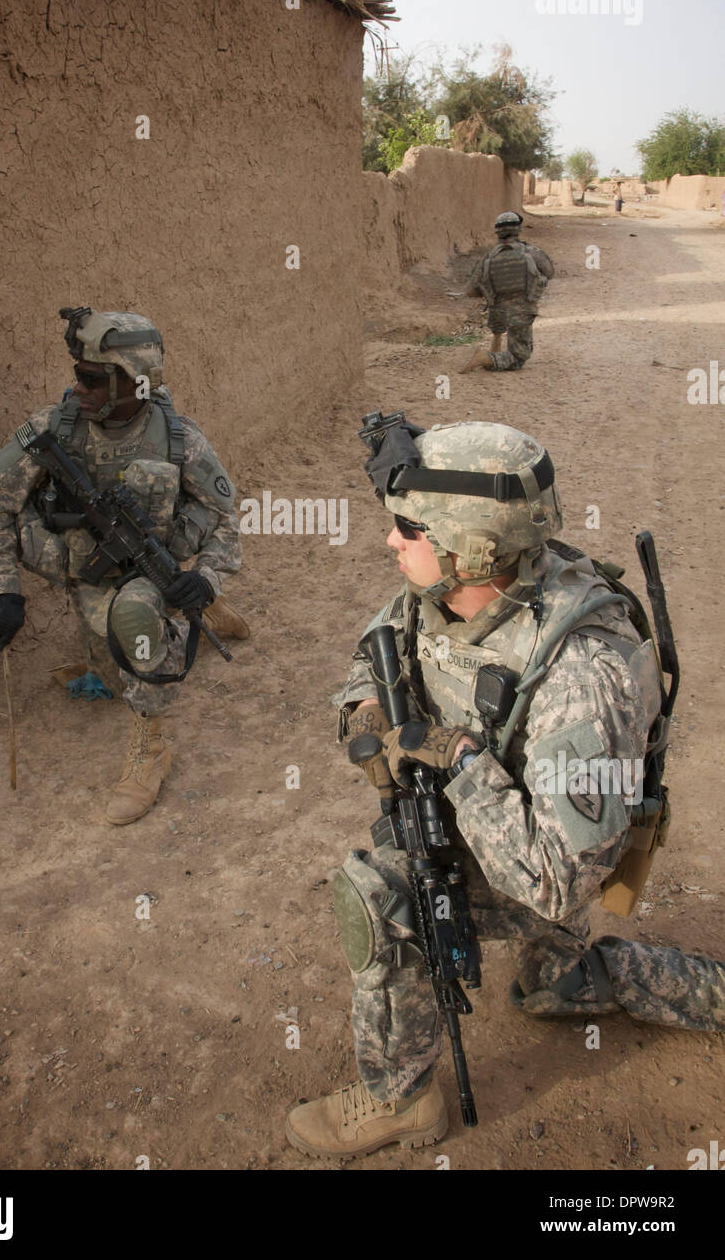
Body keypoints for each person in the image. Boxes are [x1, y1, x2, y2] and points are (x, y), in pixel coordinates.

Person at [285, 419, 725, 1161]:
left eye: (407, 529)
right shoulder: (454, 590)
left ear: (470, 549)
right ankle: (577, 973)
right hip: (515, 821)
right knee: (551, 990)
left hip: (554, 857)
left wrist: (456, 757)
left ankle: (403, 1099)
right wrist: (366, 715)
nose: (391, 543)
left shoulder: (582, 669)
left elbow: (556, 880)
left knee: (380, 892)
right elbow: (381, 645)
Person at [0, 307, 245, 825]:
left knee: (139, 621)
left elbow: (226, 518)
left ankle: (149, 748)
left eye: (93, 380)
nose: (79, 388)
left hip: (143, 575)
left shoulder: (178, 437)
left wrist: (204, 578)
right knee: (109, 671)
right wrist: (3, 586)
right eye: (78, 375)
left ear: (136, 385)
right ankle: (185, 616)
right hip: (83, 571)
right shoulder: (55, 429)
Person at [462, 212, 553, 373]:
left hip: (496, 312)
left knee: (497, 312)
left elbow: (470, 290)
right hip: (522, 311)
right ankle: (486, 358)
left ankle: (495, 346)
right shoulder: (530, 251)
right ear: (518, 229)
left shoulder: (488, 257)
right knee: (519, 357)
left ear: (497, 232)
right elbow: (549, 272)